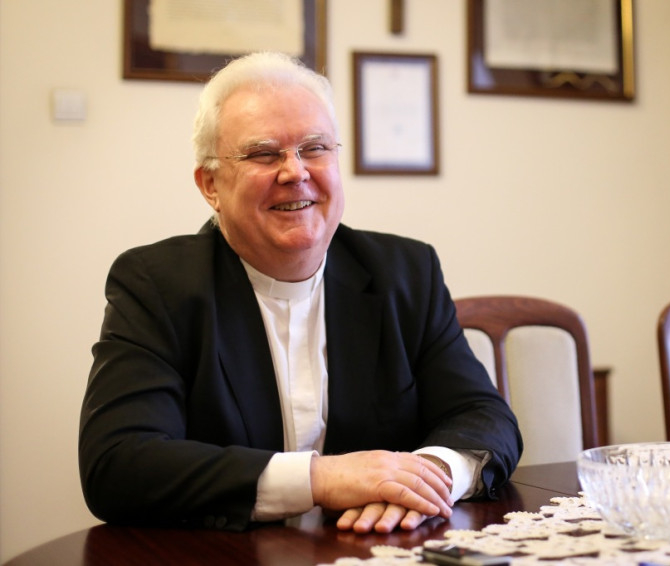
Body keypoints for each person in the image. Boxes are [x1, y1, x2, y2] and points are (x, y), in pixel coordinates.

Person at [78, 51, 522, 535]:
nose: (295, 172)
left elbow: (484, 416)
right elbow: (117, 463)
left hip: (371, 549)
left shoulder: (406, 272)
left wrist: (426, 478)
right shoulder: (157, 285)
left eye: (315, 148)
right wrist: (321, 479)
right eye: (263, 154)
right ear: (210, 185)